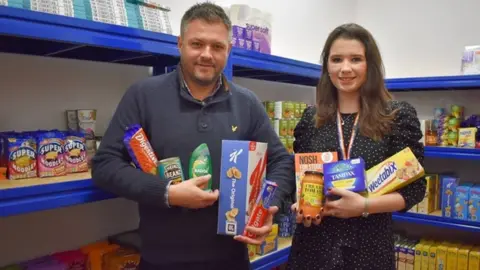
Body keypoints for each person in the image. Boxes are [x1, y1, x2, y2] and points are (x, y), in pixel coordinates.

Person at [91, 3, 294, 270]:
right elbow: (105, 165)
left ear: (229, 50)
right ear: (180, 44)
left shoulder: (247, 103)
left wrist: (268, 207)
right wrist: (167, 193)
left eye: (217, 47)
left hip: (232, 259)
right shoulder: (143, 96)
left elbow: (281, 161)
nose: (207, 55)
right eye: (197, 44)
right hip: (161, 260)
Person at [286, 23, 426, 270]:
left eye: (356, 59)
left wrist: (364, 206)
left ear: (369, 66)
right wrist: (300, 205)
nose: (345, 68)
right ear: (327, 66)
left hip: (369, 246)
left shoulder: (397, 117)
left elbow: (415, 189)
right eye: (336, 59)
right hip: (314, 246)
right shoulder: (311, 119)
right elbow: (301, 180)